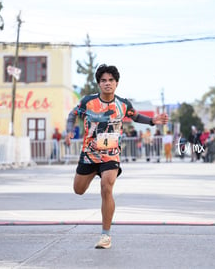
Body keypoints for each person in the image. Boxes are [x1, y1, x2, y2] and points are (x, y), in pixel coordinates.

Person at [65, 64, 169, 249]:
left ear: (116, 83)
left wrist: (152, 121)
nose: (107, 84)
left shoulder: (122, 104)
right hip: (89, 154)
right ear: (99, 84)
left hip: (110, 154)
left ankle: (106, 236)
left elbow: (135, 116)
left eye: (111, 80)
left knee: (106, 187)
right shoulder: (88, 102)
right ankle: (90, 180)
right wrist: (69, 131)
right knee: (78, 190)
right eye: (103, 80)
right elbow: (72, 115)